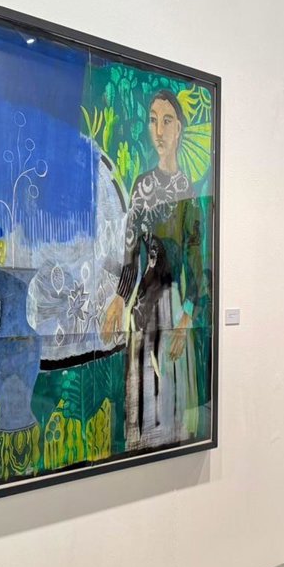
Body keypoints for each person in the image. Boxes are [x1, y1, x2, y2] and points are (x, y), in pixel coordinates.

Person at [101, 90, 207, 448]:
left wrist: (187, 316)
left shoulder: (188, 192)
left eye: (167, 121)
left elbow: (196, 265)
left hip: (175, 311)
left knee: (173, 407)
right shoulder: (142, 187)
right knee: (144, 401)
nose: (159, 131)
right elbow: (131, 255)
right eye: (153, 121)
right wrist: (119, 298)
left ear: (179, 129)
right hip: (144, 309)